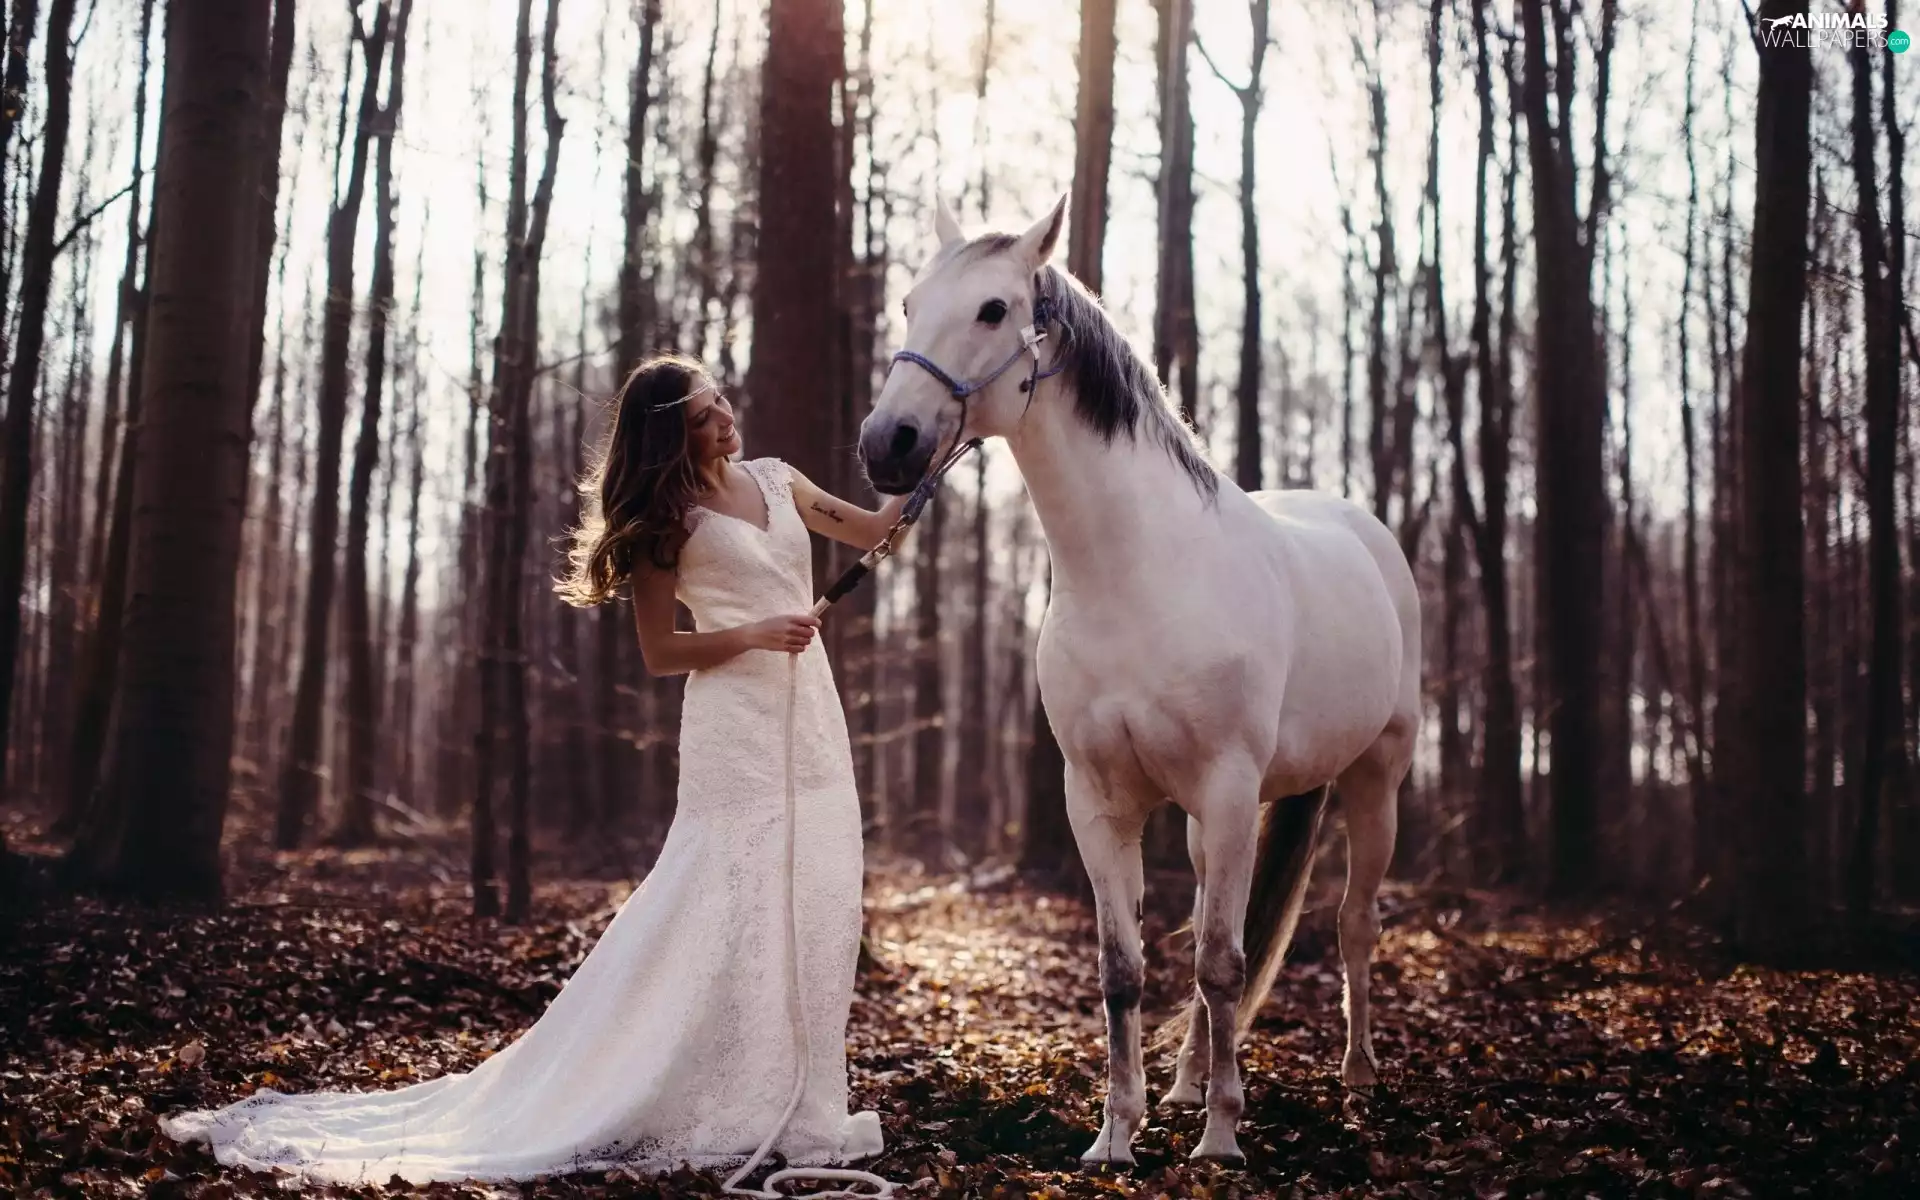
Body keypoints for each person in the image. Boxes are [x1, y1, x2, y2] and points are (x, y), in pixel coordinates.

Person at [161, 354, 910, 1185]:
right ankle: (689, 1079)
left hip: (810, 712)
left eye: (723, 401)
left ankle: (797, 1095)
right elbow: (662, 653)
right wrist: (753, 634)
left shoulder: (778, 480)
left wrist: (935, 451)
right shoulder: (669, 521)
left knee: (814, 887)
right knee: (722, 889)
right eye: (704, 413)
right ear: (671, 433)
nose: (727, 417)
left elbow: (874, 532)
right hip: (733, 722)